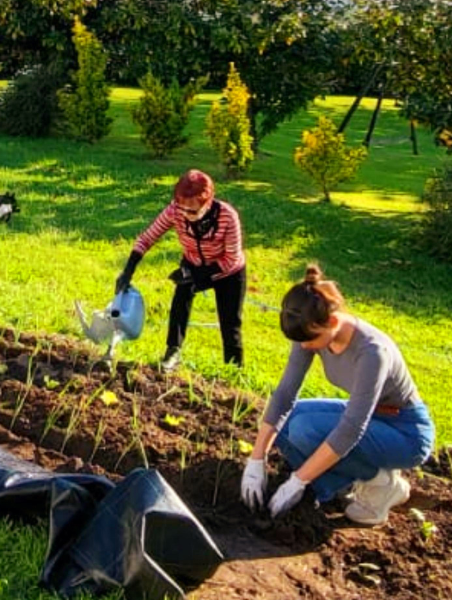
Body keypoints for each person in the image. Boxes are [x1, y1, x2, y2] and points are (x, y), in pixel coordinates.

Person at [240, 265, 435, 525]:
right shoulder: (311, 331)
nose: (305, 346)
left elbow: (351, 428)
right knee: (287, 423)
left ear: (332, 321)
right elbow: (285, 394)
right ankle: (339, 482)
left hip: (405, 431)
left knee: (304, 428)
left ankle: (382, 484)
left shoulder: (372, 353)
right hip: (367, 417)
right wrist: (256, 458)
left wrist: (297, 481)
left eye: (310, 340)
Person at [115, 169, 246, 370]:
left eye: (192, 211)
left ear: (208, 203)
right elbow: (147, 238)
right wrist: (128, 271)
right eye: (182, 208)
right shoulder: (175, 211)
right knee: (180, 303)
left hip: (227, 272)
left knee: (230, 323)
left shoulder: (228, 217)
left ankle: (233, 370)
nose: (186, 215)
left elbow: (231, 259)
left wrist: (195, 275)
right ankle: (172, 353)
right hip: (193, 262)